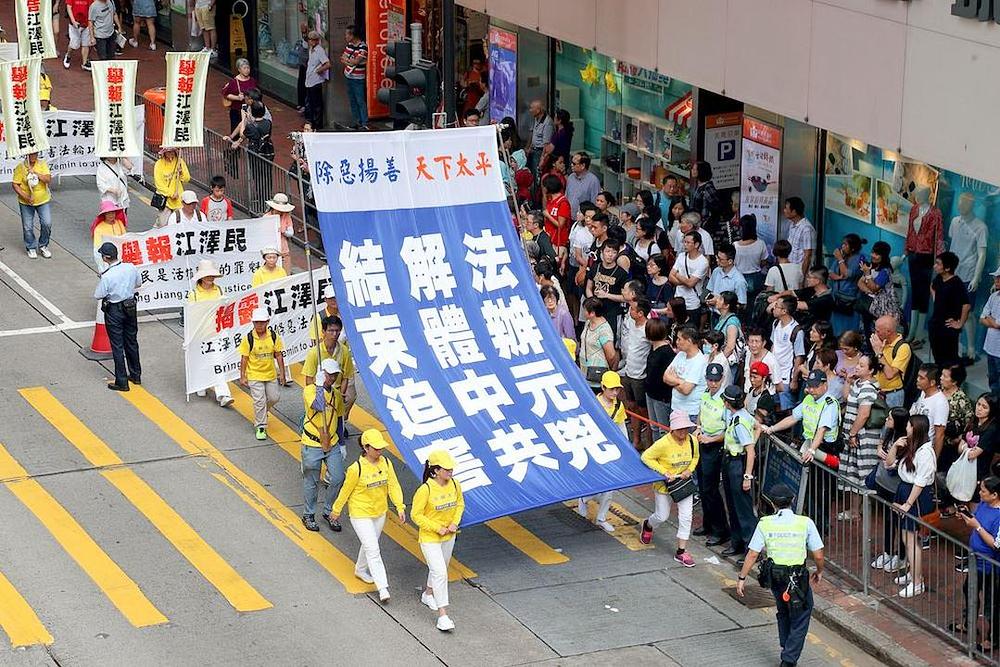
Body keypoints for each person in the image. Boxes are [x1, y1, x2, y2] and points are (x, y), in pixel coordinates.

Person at [737, 483, 825, 667]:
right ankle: (789, 658)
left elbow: (752, 553)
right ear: (792, 501)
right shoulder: (805, 522)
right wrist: (819, 571)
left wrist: (742, 578)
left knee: (783, 611)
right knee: (802, 613)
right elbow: (818, 554)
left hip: (775, 577)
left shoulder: (765, 523)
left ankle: (786, 645)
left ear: (772, 503)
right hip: (798, 577)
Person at [763, 369, 842, 535]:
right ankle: (811, 525)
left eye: (815, 386)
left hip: (825, 450)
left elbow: (822, 429)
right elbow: (793, 418)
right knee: (809, 492)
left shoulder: (830, 403)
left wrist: (812, 449)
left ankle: (821, 529)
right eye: (809, 386)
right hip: (810, 447)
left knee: (822, 493)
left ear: (825, 385)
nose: (811, 390)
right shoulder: (808, 399)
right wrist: (772, 428)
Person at [331, 429, 405, 604]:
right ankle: (383, 587)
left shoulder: (386, 463)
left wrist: (400, 506)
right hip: (360, 513)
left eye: (381, 448)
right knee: (373, 549)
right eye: (376, 448)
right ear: (366, 447)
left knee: (369, 544)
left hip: (379, 512)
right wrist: (336, 510)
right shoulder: (355, 469)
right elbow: (345, 491)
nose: (380, 451)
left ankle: (360, 569)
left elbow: (393, 485)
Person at [638, 410, 699, 567]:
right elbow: (646, 457)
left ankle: (681, 551)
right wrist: (664, 472)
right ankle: (649, 524)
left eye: (685, 428)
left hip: (683, 484)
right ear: (672, 429)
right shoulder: (663, 443)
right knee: (662, 516)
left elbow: (695, 457)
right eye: (680, 429)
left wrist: (689, 470)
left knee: (686, 517)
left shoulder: (692, 441)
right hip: (665, 486)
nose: (683, 432)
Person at [884, 414, 936, 598]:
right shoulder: (909, 446)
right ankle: (914, 574)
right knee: (907, 538)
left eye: (909, 425)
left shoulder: (926, 452)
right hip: (905, 490)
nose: (906, 427)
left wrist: (908, 503)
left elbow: (920, 482)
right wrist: (895, 446)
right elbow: (889, 464)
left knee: (912, 540)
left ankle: (917, 582)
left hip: (916, 497)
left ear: (916, 428)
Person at [412, 450, 463, 632]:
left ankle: (428, 593)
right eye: (446, 469)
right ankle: (443, 616)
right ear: (435, 471)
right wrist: (436, 527)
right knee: (440, 573)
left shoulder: (455, 485)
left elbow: (459, 504)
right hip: (430, 538)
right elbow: (416, 515)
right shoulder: (425, 490)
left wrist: (454, 523)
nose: (450, 472)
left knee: (439, 569)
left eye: (451, 469)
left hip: (449, 537)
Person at [953, 477, 1000, 649]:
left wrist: (977, 526)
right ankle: (968, 622)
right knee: (969, 591)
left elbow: (996, 543)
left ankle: (992, 638)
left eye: (983, 491)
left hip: (990, 566)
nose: (979, 493)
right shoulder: (983, 504)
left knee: (991, 602)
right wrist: (967, 517)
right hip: (975, 561)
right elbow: (976, 521)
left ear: (994, 495)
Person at [576, 371, 626, 533]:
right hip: (593, 448)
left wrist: (626, 448)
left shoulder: (618, 405)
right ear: (603, 387)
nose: (614, 393)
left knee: (610, 486)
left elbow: (621, 427)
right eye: (611, 389)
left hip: (610, 450)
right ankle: (584, 498)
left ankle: (601, 517)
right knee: (594, 481)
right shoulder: (593, 403)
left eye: (617, 389)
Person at [301, 358, 346, 532]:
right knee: (311, 480)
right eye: (329, 374)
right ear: (321, 373)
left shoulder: (335, 395)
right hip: (312, 443)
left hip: (332, 443)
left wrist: (342, 443)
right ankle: (309, 514)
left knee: (337, 477)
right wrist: (319, 385)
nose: (333, 378)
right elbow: (318, 406)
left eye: (335, 375)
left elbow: (340, 418)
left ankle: (328, 511)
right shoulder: (310, 390)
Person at [838, 353, 880, 520]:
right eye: (858, 364)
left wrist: (853, 434)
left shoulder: (868, 388)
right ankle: (855, 510)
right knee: (852, 473)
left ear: (871, 370)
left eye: (862, 366)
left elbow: (863, 414)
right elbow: (847, 397)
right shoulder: (858, 383)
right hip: (853, 435)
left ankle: (857, 511)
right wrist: (848, 381)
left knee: (860, 474)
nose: (857, 367)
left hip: (862, 437)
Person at [94, 241, 141, 391]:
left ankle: (121, 381)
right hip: (130, 307)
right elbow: (138, 283)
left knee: (117, 346)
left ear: (105, 258)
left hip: (115, 310)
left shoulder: (107, 276)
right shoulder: (131, 267)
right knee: (132, 342)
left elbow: (98, 295)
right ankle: (135, 375)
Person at [187, 260, 233, 407]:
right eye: (207, 275)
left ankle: (223, 394)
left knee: (217, 362)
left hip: (216, 333)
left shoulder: (219, 290)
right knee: (202, 361)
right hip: (200, 335)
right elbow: (190, 317)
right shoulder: (193, 294)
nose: (210, 278)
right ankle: (202, 384)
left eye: (212, 275)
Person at [720, 384, 759, 561]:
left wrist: (747, 476)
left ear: (728, 403)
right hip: (729, 461)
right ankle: (736, 542)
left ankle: (751, 549)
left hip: (738, 464)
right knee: (733, 504)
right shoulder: (738, 416)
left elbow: (750, 451)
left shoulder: (740, 422)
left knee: (743, 509)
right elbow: (758, 426)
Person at [694, 363, 731, 547]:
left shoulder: (725, 401)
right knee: (702, 487)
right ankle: (707, 524)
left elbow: (729, 430)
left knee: (711, 489)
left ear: (722, 379)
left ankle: (720, 530)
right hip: (702, 443)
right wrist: (699, 429)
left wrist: (712, 439)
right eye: (710, 380)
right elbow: (701, 414)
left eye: (716, 380)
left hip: (715, 446)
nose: (713, 383)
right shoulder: (705, 395)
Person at [238, 308, 287, 440]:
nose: (259, 325)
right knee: (259, 401)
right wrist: (243, 376)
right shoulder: (248, 338)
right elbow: (244, 358)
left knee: (274, 398)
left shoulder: (274, 336)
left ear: (267, 322)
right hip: (254, 375)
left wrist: (282, 374)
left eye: (262, 322)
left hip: (270, 374)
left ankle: (262, 412)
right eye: (257, 322)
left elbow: (278, 355)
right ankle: (261, 426)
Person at [871, 408, 909, 574]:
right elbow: (880, 445)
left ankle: (901, 556)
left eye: (890, 418)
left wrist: (889, 452)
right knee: (886, 519)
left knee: (898, 521)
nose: (886, 420)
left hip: (895, 486)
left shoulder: (904, 441)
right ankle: (887, 551)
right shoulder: (887, 430)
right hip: (881, 482)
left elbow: (892, 464)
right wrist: (880, 449)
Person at [929, 251, 971, 367]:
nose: (935, 266)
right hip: (935, 323)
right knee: (937, 355)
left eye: (938, 264)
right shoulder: (938, 278)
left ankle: (952, 380)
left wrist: (960, 323)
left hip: (948, 327)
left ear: (947, 268)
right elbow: (932, 287)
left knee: (950, 359)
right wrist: (936, 300)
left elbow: (966, 305)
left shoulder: (957, 284)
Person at [620, 298, 652, 449]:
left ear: (640, 313)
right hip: (628, 372)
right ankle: (636, 439)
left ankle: (648, 442)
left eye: (633, 309)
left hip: (640, 376)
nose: (630, 311)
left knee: (643, 411)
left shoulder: (648, 328)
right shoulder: (631, 323)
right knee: (631, 407)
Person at [12, 153, 53, 259]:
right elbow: (15, 185)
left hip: (43, 200)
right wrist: (25, 196)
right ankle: (31, 247)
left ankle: (43, 245)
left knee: (47, 223)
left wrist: (35, 173)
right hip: (26, 203)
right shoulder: (20, 167)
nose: (34, 156)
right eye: (31, 154)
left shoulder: (42, 164)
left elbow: (48, 179)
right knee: (28, 227)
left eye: (36, 153)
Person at [770, 296, 806, 410]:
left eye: (776, 306)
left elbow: (799, 356)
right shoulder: (775, 324)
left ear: (784, 311)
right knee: (774, 406)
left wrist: (794, 379)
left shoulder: (796, 331)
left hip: (786, 374)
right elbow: (773, 345)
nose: (773, 308)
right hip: (773, 373)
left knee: (787, 408)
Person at [665, 327, 708, 421]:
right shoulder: (680, 355)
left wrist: (674, 380)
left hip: (690, 413)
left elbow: (686, 389)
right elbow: (665, 377)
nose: (676, 342)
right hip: (675, 408)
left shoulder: (699, 362)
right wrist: (680, 381)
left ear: (689, 341)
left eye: (679, 339)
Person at [870, 315, 912, 408]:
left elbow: (890, 374)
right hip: (878, 392)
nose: (875, 334)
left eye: (878, 331)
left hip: (892, 395)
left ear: (888, 332)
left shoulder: (903, 348)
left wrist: (879, 353)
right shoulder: (882, 342)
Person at [644, 318, 675, 440]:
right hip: (651, 394)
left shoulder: (667, 353)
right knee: (654, 426)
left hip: (661, 397)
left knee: (663, 429)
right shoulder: (654, 348)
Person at [909, 363, 948, 460]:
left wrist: (933, 461)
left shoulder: (940, 402)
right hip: (912, 446)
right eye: (918, 376)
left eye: (922, 378)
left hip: (924, 452)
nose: (917, 380)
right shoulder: (923, 393)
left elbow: (939, 435)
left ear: (932, 382)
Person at [828, 233, 865, 335]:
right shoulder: (842, 256)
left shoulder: (858, 259)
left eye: (845, 245)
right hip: (836, 298)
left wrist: (840, 259)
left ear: (853, 248)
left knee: (848, 331)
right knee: (836, 328)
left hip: (849, 299)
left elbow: (847, 274)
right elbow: (830, 272)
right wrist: (838, 277)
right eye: (842, 244)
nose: (842, 247)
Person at [669, 231, 709, 323]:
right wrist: (685, 281)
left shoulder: (703, 262)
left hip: (692, 302)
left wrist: (678, 275)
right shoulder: (681, 256)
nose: (685, 245)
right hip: (678, 299)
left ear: (696, 244)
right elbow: (671, 276)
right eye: (684, 242)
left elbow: (691, 283)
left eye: (688, 242)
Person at [579, 297, 618, 387]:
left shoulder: (604, 330)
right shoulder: (588, 323)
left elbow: (611, 355)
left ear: (592, 313)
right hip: (584, 370)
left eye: (585, 310)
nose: (583, 312)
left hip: (596, 373)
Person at [734, 215, 768, 303]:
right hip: (756, 278)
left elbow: (732, 263)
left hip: (739, 277)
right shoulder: (761, 243)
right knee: (753, 304)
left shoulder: (735, 246)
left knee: (740, 302)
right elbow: (764, 261)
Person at [153, 148, 190, 227]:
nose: (171, 153)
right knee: (162, 224)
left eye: (172, 151)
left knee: (179, 224)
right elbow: (159, 184)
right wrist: (171, 194)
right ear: (164, 153)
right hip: (166, 200)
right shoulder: (159, 164)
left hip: (178, 200)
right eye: (168, 152)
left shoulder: (179, 162)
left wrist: (181, 172)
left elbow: (186, 178)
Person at [341, 26, 369, 129]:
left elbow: (356, 61)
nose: (346, 36)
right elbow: (343, 58)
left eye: (347, 34)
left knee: (360, 100)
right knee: (352, 100)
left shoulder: (363, 47)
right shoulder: (349, 45)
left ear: (353, 35)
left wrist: (350, 61)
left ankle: (364, 123)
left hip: (358, 78)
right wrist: (350, 62)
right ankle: (356, 121)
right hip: (349, 76)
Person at [706, 244, 749, 309]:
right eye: (717, 257)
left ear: (730, 261)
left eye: (720, 259)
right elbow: (710, 290)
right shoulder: (716, 271)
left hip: (727, 316)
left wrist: (720, 302)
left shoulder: (739, 281)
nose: (717, 260)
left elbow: (742, 305)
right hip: (714, 313)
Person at [222, 59, 258, 132]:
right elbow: (225, 94)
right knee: (236, 130)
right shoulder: (234, 82)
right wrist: (237, 97)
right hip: (237, 110)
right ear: (239, 69)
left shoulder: (252, 80)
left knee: (251, 131)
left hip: (250, 110)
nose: (247, 70)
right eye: (244, 68)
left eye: (248, 68)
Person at [690, 160, 722, 241]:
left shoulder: (708, 188)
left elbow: (715, 206)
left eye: (695, 169)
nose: (692, 171)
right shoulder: (698, 185)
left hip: (703, 224)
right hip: (696, 221)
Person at [263, 193, 296, 271]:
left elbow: (291, 233)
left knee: (286, 273)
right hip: (270, 250)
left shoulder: (286, 216)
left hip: (284, 249)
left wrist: (283, 231)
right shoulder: (266, 217)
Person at [91, 200, 126, 271]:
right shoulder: (99, 228)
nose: (111, 215)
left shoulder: (119, 223)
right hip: (108, 259)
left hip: (120, 255)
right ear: (104, 215)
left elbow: (125, 238)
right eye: (108, 213)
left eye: (113, 213)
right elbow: (97, 248)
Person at [784, 196, 815, 277]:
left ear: (794, 212)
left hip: (799, 272)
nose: (784, 211)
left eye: (786, 208)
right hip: (791, 269)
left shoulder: (806, 229)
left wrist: (802, 276)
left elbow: (807, 256)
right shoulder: (792, 224)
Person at [981, 266, 1000, 397]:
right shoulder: (994, 296)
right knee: (992, 378)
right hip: (990, 347)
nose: (996, 280)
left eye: (999, 278)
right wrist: (991, 319)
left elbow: (998, 324)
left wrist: (990, 318)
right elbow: (982, 318)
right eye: (996, 278)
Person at [743, 328, 778, 393]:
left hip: (764, 398)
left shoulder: (771, 360)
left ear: (763, 343)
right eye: (751, 341)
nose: (754, 345)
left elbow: (778, 385)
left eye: (757, 341)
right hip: (748, 396)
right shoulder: (748, 353)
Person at [566, 152, 600, 219]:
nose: (571, 165)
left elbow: (595, 204)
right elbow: (566, 196)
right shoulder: (571, 177)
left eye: (574, 164)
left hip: (583, 220)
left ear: (583, 166)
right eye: (571, 162)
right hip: (568, 217)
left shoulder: (593, 181)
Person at [526, 100, 553, 175]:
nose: (530, 110)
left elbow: (546, 143)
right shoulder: (536, 119)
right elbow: (534, 134)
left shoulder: (547, 123)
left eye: (532, 108)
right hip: (533, 150)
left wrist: (542, 158)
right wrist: (529, 148)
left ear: (538, 110)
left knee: (537, 173)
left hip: (540, 152)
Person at [65, 0, 94, 70]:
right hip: (74, 24)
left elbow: (91, 8)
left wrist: (91, 22)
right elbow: (69, 7)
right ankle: (68, 56)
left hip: (86, 23)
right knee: (74, 45)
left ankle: (84, 63)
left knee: (85, 44)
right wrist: (73, 21)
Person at [746, 361, 777, 425]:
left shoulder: (765, 397)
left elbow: (759, 421)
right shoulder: (751, 390)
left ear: (764, 378)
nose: (752, 380)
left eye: (755, 377)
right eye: (751, 376)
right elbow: (745, 406)